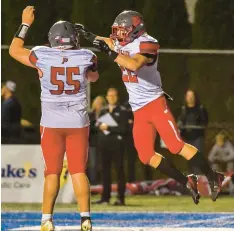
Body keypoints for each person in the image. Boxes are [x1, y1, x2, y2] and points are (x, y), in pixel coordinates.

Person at [76, 10, 224, 203]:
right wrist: (89, 35)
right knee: (146, 155)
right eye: (118, 31)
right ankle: (186, 181)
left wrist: (109, 52)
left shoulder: (148, 43)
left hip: (154, 103)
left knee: (175, 145)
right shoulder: (122, 42)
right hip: (138, 108)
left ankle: (214, 176)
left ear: (135, 30)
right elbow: (108, 42)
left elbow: (133, 64)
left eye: (123, 31)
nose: (118, 35)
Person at [9, 6, 99, 231]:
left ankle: (46, 220)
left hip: (51, 122)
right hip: (78, 122)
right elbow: (93, 77)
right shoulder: (87, 56)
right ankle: (85, 219)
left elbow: (14, 50)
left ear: (52, 39)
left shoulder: (41, 54)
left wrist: (26, 23)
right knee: (79, 171)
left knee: (52, 172)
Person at [93, 88, 128, 205]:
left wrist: (109, 128)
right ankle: (105, 197)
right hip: (104, 145)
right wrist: (101, 126)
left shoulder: (123, 111)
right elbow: (97, 124)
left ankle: (120, 198)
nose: (111, 98)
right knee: (105, 171)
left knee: (119, 171)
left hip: (117, 145)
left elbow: (123, 129)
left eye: (114, 96)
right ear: (107, 97)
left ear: (117, 97)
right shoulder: (103, 111)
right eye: (109, 96)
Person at [178, 89, 208, 174]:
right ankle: (192, 179)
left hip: (198, 137)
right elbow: (180, 121)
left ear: (195, 97)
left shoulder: (200, 108)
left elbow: (205, 122)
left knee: (197, 158)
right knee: (190, 159)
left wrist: (196, 126)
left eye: (192, 96)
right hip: (187, 138)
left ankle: (199, 178)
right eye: (188, 96)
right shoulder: (183, 109)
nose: (190, 98)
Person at [87, 96, 106, 184]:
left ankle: (102, 182)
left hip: (104, 142)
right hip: (93, 143)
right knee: (93, 164)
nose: (99, 105)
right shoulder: (90, 114)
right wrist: (98, 127)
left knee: (103, 163)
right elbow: (88, 128)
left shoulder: (106, 114)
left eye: (101, 103)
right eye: (97, 103)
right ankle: (93, 183)